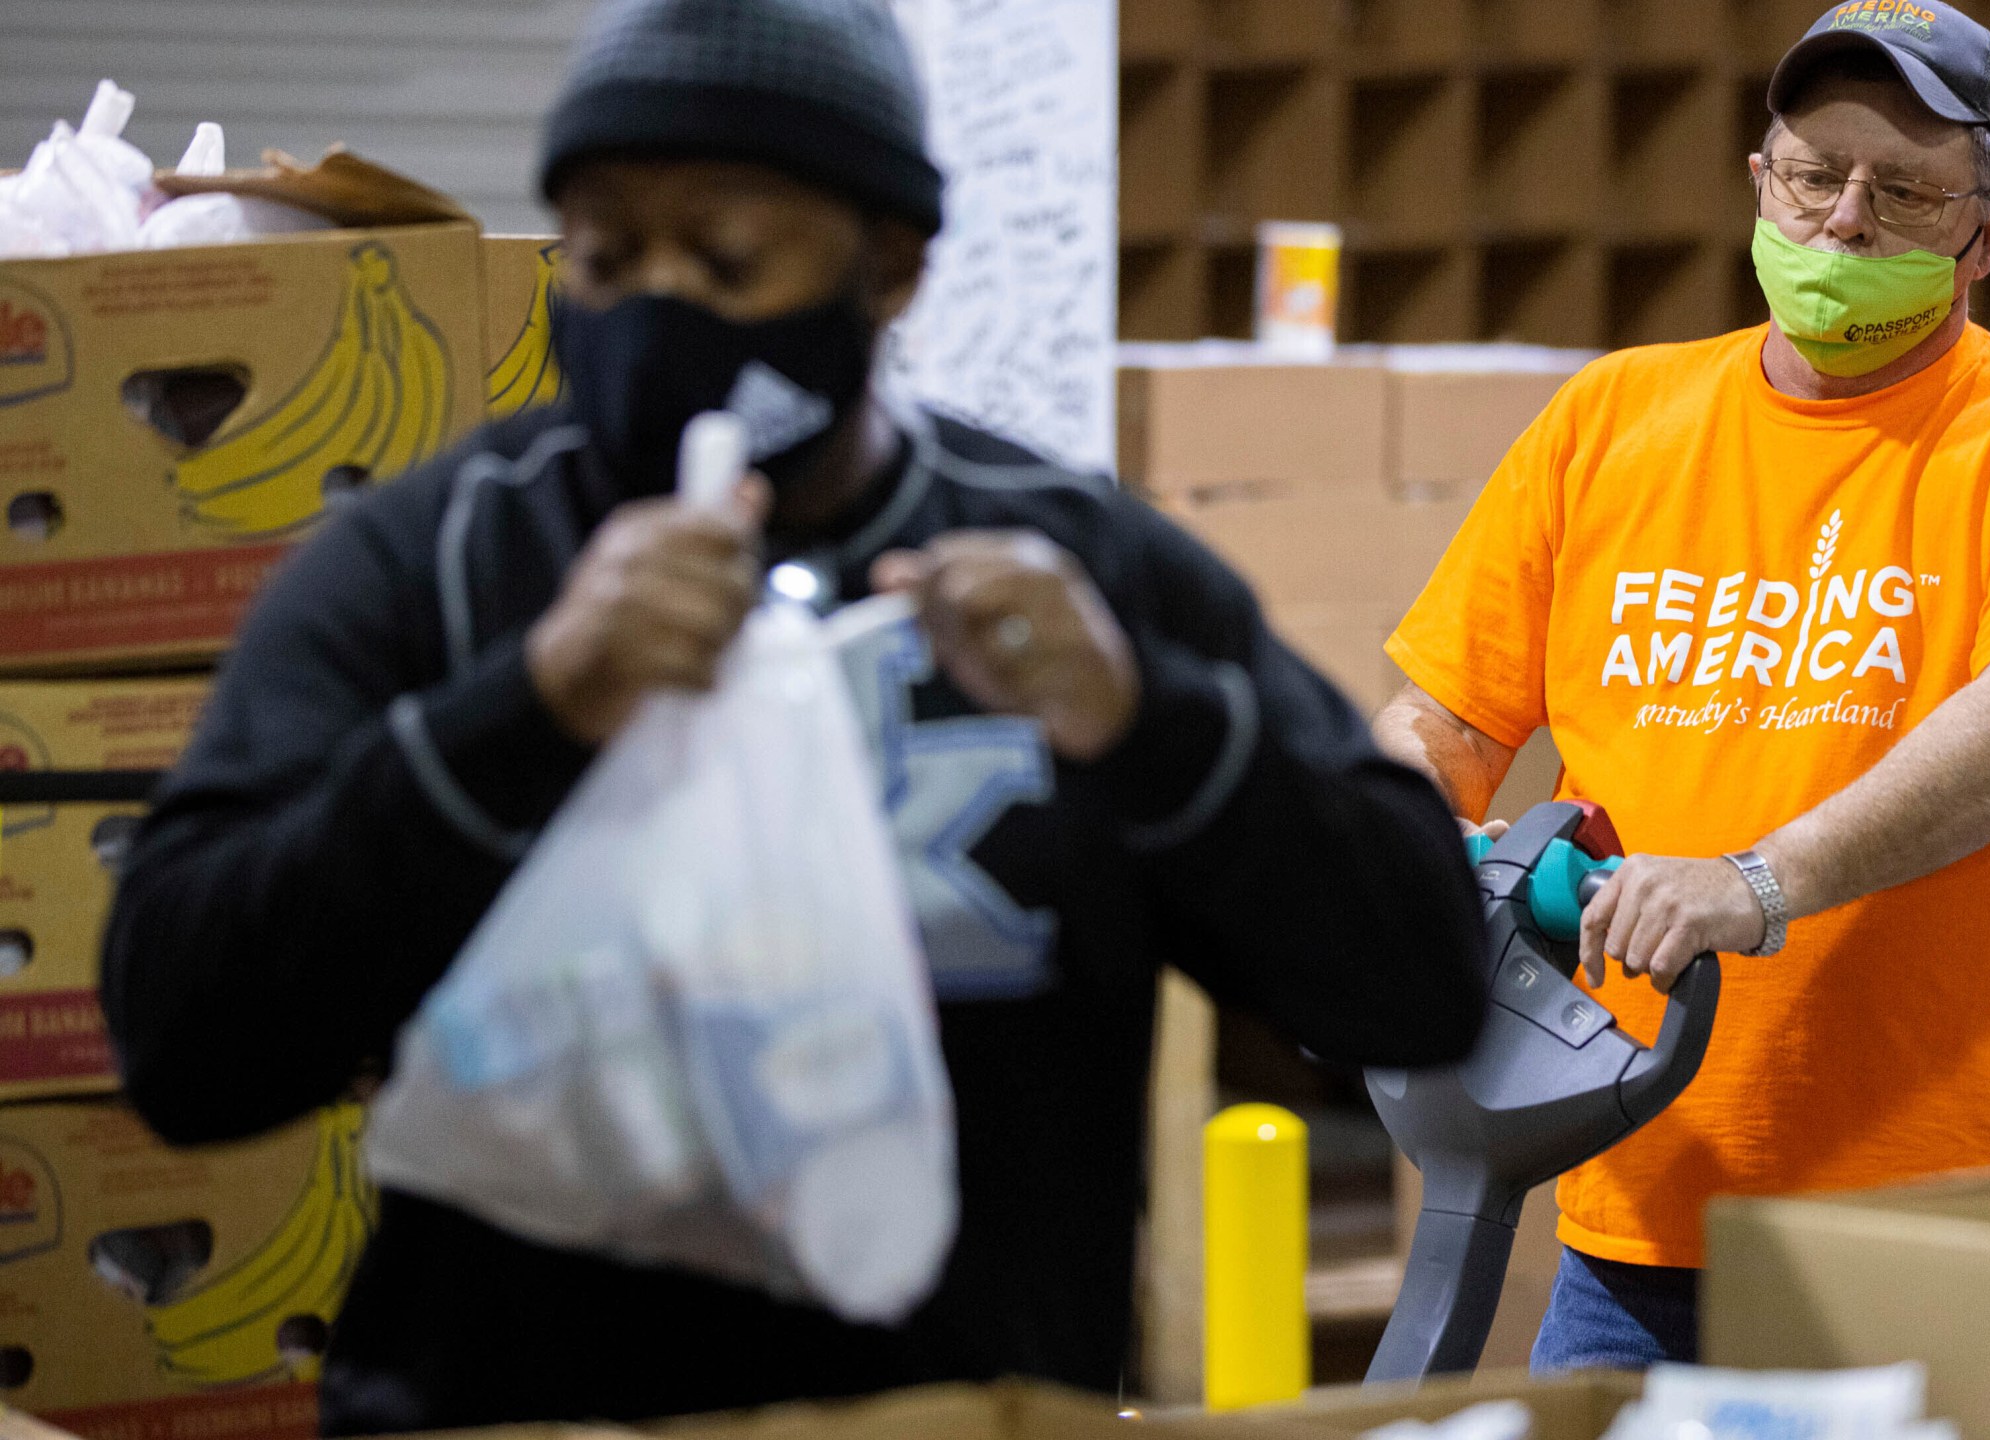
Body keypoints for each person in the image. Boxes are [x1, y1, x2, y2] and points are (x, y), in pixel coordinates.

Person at [100, 0, 1486, 1430]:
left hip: (953, 1415)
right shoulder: (440, 563)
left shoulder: (1077, 565)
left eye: (727, 257)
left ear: (890, 266)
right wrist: (528, 708)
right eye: (603, 253)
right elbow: (184, 1037)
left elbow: (1423, 983)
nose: (653, 307)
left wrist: (1148, 725)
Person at [1374, 0, 1990, 1370]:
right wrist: (1389, 850)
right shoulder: (1609, 420)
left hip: (1977, 1212)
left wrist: (1755, 882)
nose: (1845, 222)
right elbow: (1442, 721)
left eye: (1908, 190)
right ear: (1761, 183)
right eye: (1816, 175)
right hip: (1645, 1203)